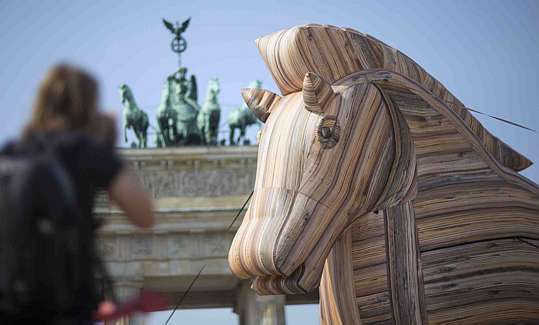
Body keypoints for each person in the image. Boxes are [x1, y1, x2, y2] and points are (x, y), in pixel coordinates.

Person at [1, 63, 155, 323]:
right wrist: (106, 148)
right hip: (67, 307)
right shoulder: (86, 151)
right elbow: (144, 216)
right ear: (87, 106)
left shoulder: (11, 153)